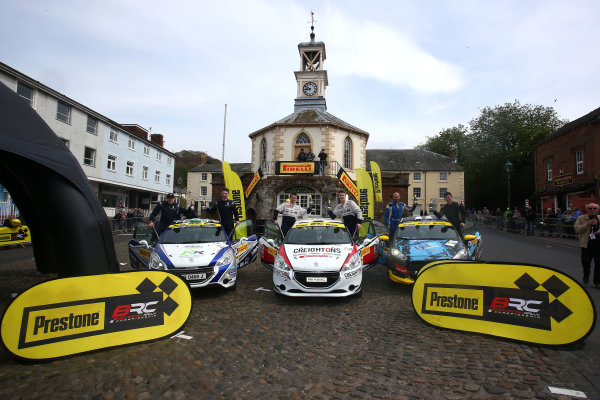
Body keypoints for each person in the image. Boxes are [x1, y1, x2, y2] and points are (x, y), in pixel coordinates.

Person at [574, 203, 600, 289]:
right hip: (586, 244)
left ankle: (597, 282)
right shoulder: (581, 218)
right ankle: (586, 274)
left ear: (598, 210)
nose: (592, 210)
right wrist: (588, 224)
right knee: (586, 262)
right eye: (590, 208)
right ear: (586, 209)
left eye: (594, 208)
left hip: (598, 245)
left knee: (598, 264)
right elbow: (577, 229)